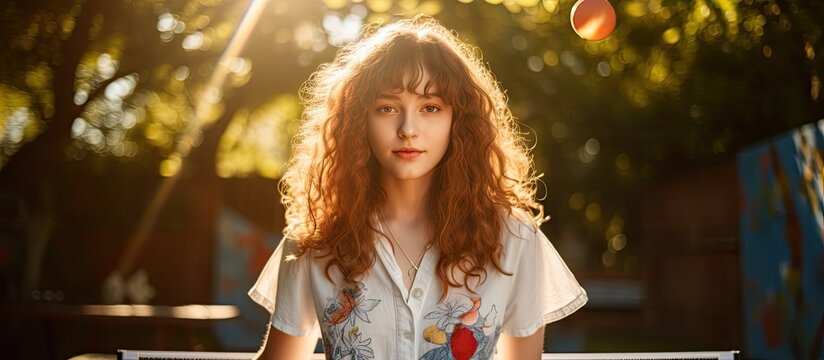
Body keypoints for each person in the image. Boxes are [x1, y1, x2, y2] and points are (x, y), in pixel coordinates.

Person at [248, 17, 587, 360]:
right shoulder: (314, 242)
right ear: (357, 121)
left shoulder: (514, 238)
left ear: (459, 120)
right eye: (387, 108)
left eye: (430, 107)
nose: (408, 128)